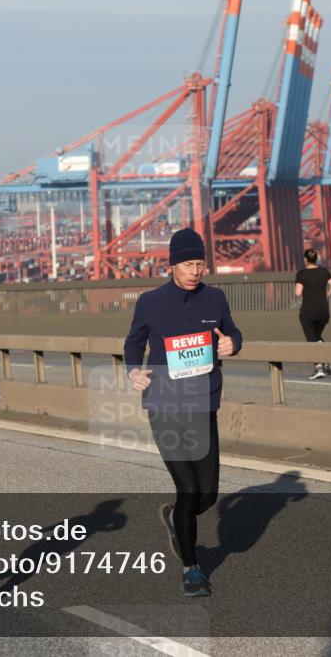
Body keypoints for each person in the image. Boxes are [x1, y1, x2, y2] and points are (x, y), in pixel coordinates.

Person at [123, 228, 242, 597]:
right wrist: (134, 370)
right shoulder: (151, 302)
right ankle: (192, 568)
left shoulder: (216, 299)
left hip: (203, 403)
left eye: (200, 264)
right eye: (188, 264)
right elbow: (134, 342)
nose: (195, 271)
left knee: (207, 494)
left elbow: (234, 333)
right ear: (173, 264)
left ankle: (176, 517)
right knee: (188, 488)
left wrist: (231, 343)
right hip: (165, 405)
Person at [294, 248, 331, 380]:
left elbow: (297, 293)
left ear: (305, 259)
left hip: (308, 312)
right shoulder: (324, 272)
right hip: (323, 312)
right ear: (316, 258)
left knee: (312, 340)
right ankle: (329, 362)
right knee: (317, 336)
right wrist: (326, 295)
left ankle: (319, 368)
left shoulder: (301, 274)